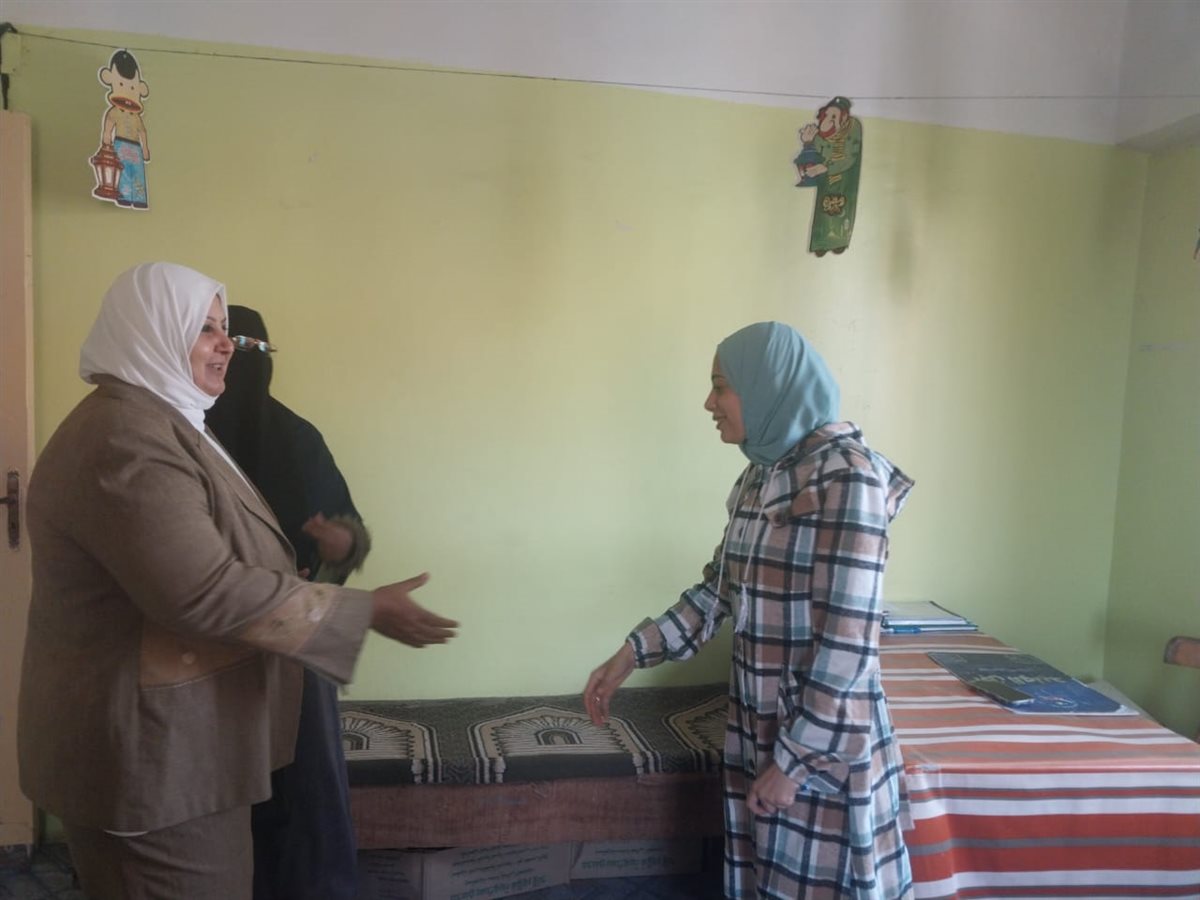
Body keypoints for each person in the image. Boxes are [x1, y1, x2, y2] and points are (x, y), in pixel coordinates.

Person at [17, 262, 458, 900]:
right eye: (206, 328)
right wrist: (358, 610)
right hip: (152, 755)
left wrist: (339, 547)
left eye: (232, 333)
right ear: (151, 331)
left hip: (199, 729)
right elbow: (199, 590)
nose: (228, 346)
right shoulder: (128, 438)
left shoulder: (171, 422)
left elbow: (323, 530)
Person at [584, 321, 913, 899]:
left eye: (720, 386)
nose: (709, 403)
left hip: (824, 745)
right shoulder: (760, 477)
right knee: (767, 882)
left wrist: (795, 761)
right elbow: (717, 592)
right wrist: (632, 653)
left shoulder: (849, 478)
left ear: (768, 386)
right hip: (759, 727)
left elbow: (849, 643)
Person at [207, 305, 368, 900]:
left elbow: (351, 535)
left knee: (305, 792)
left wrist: (341, 545)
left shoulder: (298, 438)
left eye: (256, 351)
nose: (242, 362)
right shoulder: (184, 437)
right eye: (232, 344)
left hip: (296, 638)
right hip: (204, 643)